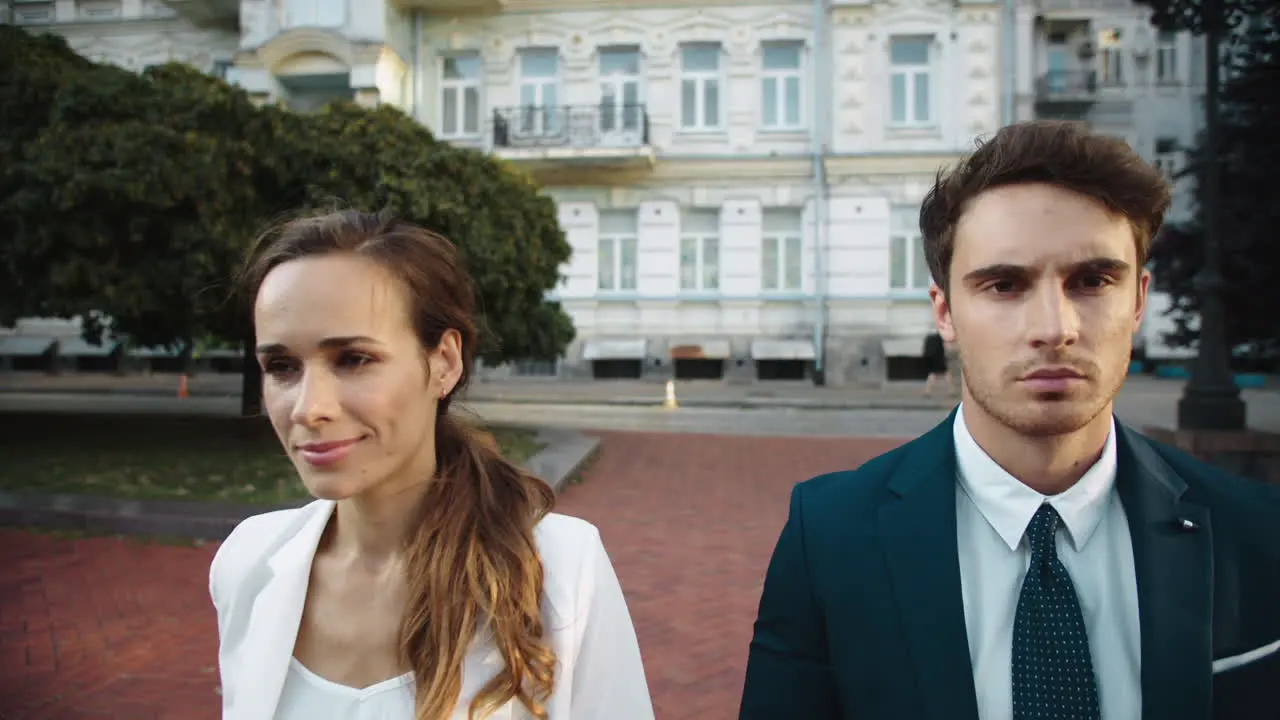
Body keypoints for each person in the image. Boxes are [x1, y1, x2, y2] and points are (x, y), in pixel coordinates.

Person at [739, 121, 1280, 719]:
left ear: (1139, 300)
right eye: (1004, 284)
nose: (1055, 327)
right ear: (945, 312)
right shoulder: (832, 537)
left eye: (1093, 280)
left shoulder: (1257, 535)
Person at [209, 209, 655, 720]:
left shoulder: (557, 571)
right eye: (282, 367)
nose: (309, 408)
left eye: (353, 359)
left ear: (444, 362)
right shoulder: (248, 563)